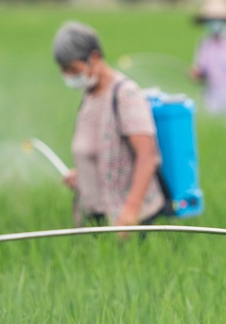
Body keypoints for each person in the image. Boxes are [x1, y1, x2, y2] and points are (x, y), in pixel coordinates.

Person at [52, 21, 167, 231]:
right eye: (64, 71)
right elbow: (105, 151)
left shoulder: (125, 94)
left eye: (73, 69)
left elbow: (147, 156)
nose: (69, 76)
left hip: (131, 220)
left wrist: (131, 210)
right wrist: (83, 174)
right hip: (98, 215)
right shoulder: (89, 95)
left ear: (94, 57)